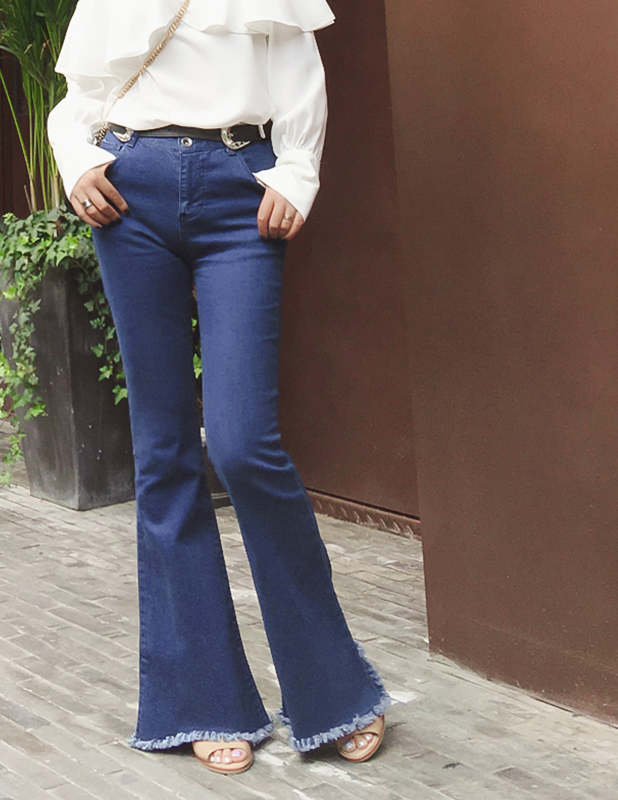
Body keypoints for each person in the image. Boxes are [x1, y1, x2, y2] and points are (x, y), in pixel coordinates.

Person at [48, 0, 390, 774]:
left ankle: (334, 690)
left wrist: (297, 172)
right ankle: (202, 699)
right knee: (164, 449)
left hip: (240, 191)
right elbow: (80, 97)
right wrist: (77, 162)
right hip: (129, 194)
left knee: (243, 445)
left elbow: (300, 74)